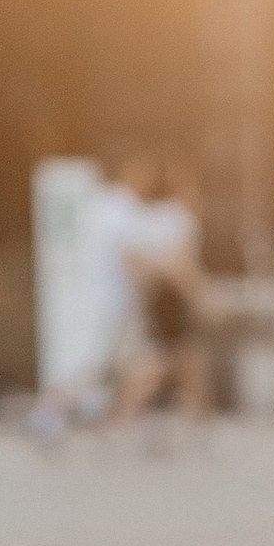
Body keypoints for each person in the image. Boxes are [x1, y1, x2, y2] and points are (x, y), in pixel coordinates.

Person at [104, 150, 212, 430]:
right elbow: (177, 263)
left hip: (159, 301)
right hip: (168, 303)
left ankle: (201, 429)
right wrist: (201, 293)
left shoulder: (159, 216)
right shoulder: (181, 219)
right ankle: (115, 420)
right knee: (167, 365)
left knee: (188, 365)